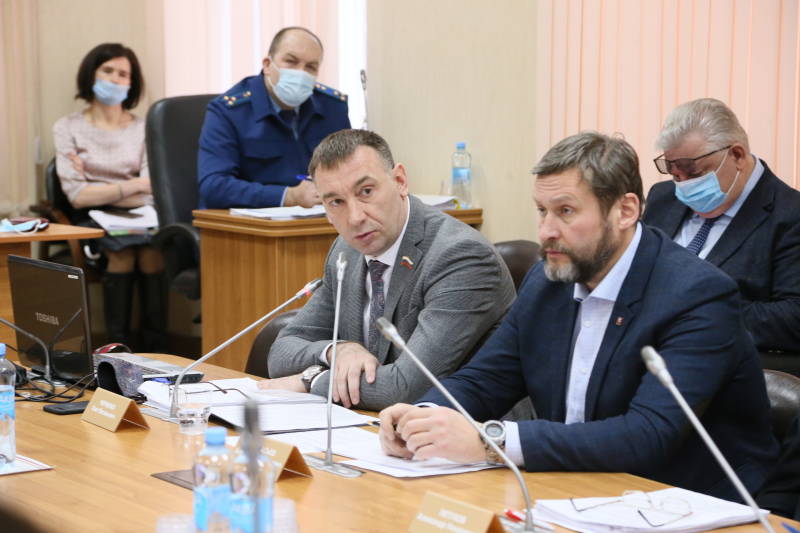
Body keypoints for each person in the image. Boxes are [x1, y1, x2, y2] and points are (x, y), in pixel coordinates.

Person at [379, 132, 778, 500]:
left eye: (566, 211)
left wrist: (492, 441)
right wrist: (424, 417)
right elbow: (486, 379)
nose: (546, 231)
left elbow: (648, 434)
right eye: (542, 211)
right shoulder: (547, 279)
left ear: (625, 211)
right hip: (574, 488)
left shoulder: (697, 295)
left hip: (688, 502)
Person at [259, 129, 516, 411]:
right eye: (336, 202)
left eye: (366, 192)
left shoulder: (461, 256)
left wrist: (311, 379)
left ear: (400, 181)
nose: (355, 218)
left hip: (470, 429)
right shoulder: (346, 251)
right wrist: (337, 350)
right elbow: (281, 353)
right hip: (373, 424)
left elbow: (405, 388)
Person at [643, 98, 800, 353]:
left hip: (721, 361)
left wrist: (697, 313)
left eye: (693, 173)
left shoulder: (790, 215)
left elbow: (793, 317)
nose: (683, 184)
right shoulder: (662, 198)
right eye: (674, 173)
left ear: (737, 155)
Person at [53, 43, 166, 352]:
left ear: (132, 83)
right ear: (91, 74)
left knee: (153, 251)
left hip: (142, 213)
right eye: (107, 71)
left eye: (123, 74)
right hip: (92, 218)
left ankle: (158, 350)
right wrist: (133, 185)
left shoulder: (144, 128)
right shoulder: (67, 127)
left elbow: (153, 187)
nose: (115, 79)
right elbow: (77, 196)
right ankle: (118, 351)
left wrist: (100, 186)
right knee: (122, 252)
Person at [197, 26, 351, 209]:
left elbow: (349, 171)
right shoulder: (228, 111)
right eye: (291, 62)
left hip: (320, 219)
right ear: (267, 65)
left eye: (310, 67)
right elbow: (214, 187)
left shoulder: (333, 107)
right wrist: (288, 196)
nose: (301, 73)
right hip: (251, 223)